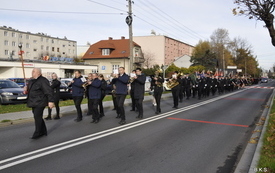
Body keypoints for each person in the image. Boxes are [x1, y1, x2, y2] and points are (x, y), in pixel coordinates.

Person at [24, 68, 54, 139]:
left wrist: (51, 101)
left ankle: (37, 133)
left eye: (34, 71)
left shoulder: (43, 80)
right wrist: (26, 89)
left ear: (38, 73)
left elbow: (48, 91)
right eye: (32, 71)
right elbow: (31, 90)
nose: (32, 72)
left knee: (37, 116)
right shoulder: (32, 81)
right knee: (37, 117)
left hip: (40, 102)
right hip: (33, 101)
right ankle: (43, 131)